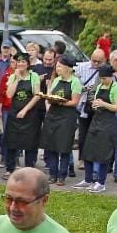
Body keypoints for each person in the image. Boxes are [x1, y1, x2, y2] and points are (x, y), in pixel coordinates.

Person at [35, 56, 82, 185]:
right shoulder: (56, 80)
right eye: (57, 66)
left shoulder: (75, 82)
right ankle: (52, 174)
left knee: (64, 147)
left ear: (67, 68)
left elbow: (75, 102)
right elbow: (50, 96)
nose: (57, 68)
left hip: (67, 117)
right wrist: (50, 99)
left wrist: (61, 102)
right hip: (53, 115)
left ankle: (62, 176)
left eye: (60, 66)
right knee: (51, 146)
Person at [77, 63, 117, 191]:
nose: (102, 81)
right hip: (96, 121)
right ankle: (87, 179)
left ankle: (101, 182)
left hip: (108, 122)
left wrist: (103, 104)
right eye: (101, 78)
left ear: (110, 76)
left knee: (103, 153)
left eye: (104, 78)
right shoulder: (99, 86)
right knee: (88, 150)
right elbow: (96, 100)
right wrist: (94, 104)